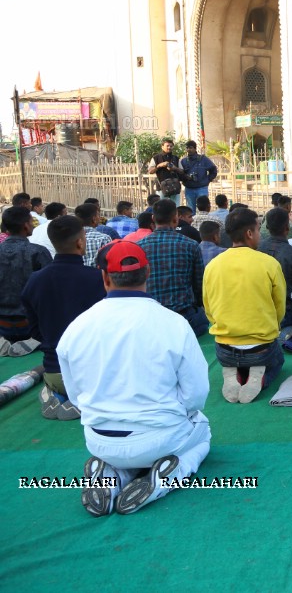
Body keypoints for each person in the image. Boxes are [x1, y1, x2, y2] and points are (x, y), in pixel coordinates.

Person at [58, 239, 211, 516]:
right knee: (203, 432)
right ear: (148, 272)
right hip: (163, 437)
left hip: (100, 440)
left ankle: (112, 476)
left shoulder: (76, 328)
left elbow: (76, 396)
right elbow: (196, 395)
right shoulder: (174, 323)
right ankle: (164, 478)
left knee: (124, 452)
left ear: (104, 277)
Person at [21, 215, 104, 419]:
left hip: (53, 370)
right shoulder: (98, 279)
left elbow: (34, 330)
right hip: (92, 374)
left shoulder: (35, 280)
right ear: (80, 241)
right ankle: (79, 401)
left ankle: (55, 394)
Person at [202, 208, 286, 404]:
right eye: (258, 229)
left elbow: (208, 307)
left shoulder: (213, 265)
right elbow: (279, 306)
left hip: (224, 348)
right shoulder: (269, 263)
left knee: (233, 356)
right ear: (249, 233)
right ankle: (260, 378)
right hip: (261, 349)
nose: (259, 234)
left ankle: (235, 373)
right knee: (278, 360)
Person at [138, 199, 206, 336]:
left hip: (150, 318)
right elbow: (199, 285)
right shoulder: (191, 245)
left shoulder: (139, 246)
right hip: (185, 319)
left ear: (153, 219)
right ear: (176, 219)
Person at [0, 206, 52, 347]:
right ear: (25, 225)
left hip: (3, 325)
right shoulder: (38, 252)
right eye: (31, 221)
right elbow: (52, 289)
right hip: (32, 326)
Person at [179, 140, 219, 213]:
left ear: (195, 148)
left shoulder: (203, 159)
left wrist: (207, 180)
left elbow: (213, 170)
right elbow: (180, 174)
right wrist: (185, 178)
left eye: (190, 148)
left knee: (204, 209)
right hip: (189, 188)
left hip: (202, 188)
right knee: (191, 211)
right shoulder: (184, 161)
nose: (189, 150)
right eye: (187, 148)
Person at [147, 138, 184, 204]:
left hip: (175, 187)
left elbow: (182, 171)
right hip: (161, 188)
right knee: (161, 208)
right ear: (162, 146)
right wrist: (159, 165)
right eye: (167, 146)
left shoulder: (176, 158)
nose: (169, 147)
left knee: (175, 208)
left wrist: (174, 168)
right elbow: (150, 171)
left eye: (171, 146)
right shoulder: (156, 158)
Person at [75, 203, 112, 268]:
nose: (100, 217)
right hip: (98, 277)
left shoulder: (71, 238)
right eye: (98, 215)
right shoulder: (104, 238)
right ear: (94, 219)